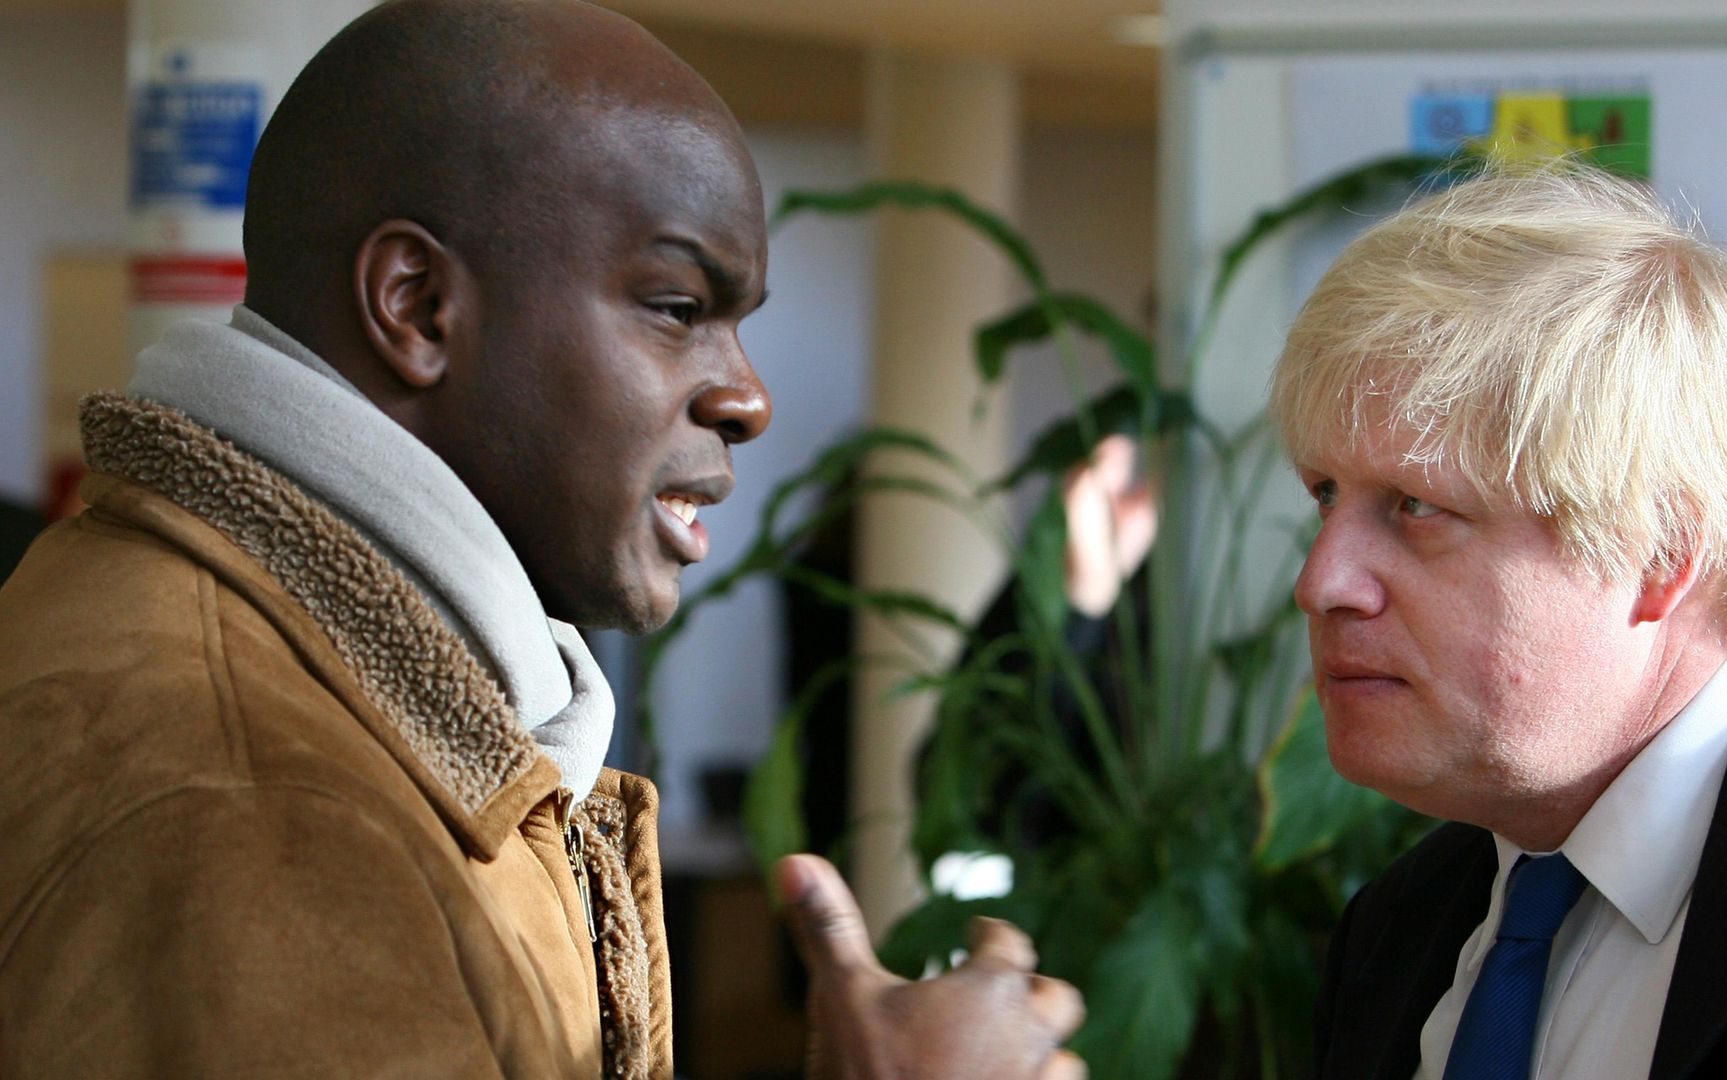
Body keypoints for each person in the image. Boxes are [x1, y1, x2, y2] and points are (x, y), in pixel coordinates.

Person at [0, 1, 1083, 1076]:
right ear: (418, 306)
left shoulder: (302, 695)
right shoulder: (257, 805)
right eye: (675, 305)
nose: (748, 398)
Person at [1275, 167, 1727, 1078]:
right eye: (1325, 496)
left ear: (1658, 552)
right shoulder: (1398, 929)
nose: (1322, 581)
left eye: (1415, 506)